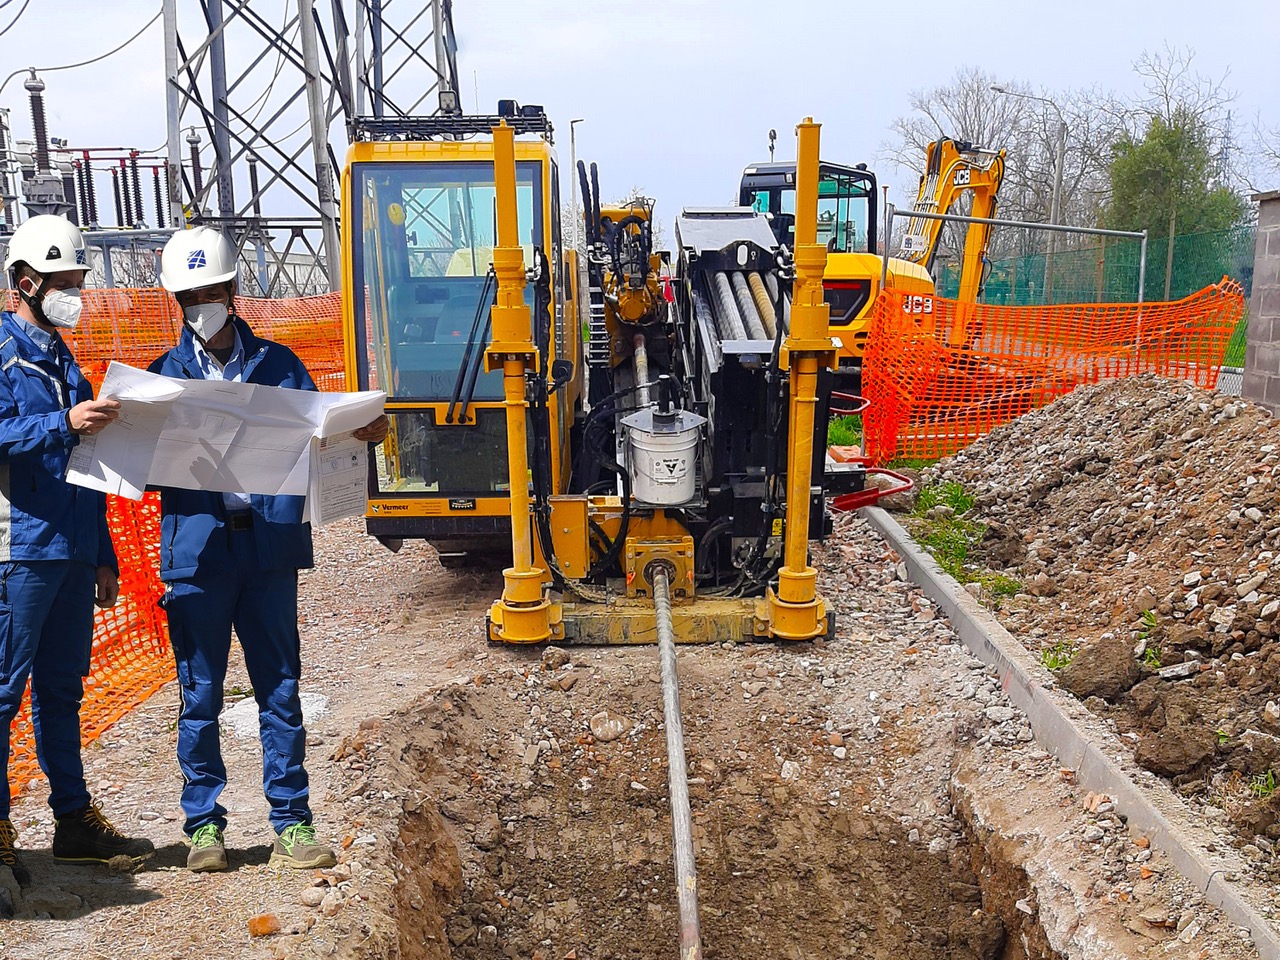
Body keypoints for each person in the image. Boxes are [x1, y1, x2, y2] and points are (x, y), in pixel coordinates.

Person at [150, 226, 388, 873]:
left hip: (269, 550)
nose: (201, 302)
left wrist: (361, 430)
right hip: (199, 554)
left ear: (233, 291)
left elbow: (324, 438)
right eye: (188, 295)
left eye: (210, 291)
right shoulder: (159, 379)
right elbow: (136, 472)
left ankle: (292, 821)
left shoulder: (280, 367)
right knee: (199, 695)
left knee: (278, 691)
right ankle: (204, 826)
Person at [0, 215, 156, 885]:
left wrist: (104, 556)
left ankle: (72, 821)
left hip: (67, 548)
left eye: (79, 283)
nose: (76, 296)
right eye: (65, 284)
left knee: (61, 689)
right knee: (4, 691)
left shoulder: (59, 354)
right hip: (22, 550)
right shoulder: (4, 350)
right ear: (26, 282)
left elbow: (84, 463)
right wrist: (62, 421)